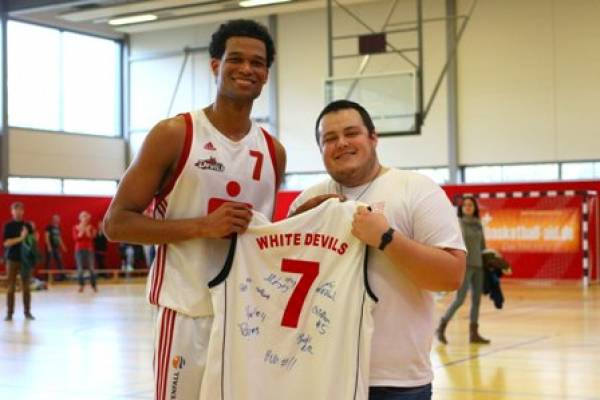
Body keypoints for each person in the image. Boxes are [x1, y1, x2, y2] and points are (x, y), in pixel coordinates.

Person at [103, 19, 285, 400]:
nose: (247, 69)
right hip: (185, 311)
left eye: (257, 62)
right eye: (236, 59)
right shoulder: (175, 134)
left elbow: (265, 234)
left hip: (246, 317)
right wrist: (202, 226)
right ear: (215, 65)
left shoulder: (273, 150)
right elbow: (116, 224)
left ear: (266, 73)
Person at [289, 100, 466, 400]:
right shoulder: (308, 202)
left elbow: (450, 276)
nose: (341, 143)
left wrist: (386, 238)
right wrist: (296, 226)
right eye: (329, 138)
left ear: (373, 137)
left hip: (394, 382)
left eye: (351, 133)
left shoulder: (416, 189)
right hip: (320, 375)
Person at [437, 196, 490, 344]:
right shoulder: (458, 224)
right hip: (465, 266)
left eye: (470, 205)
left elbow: (482, 246)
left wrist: (490, 259)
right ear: (461, 208)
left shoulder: (478, 224)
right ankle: (441, 326)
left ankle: (474, 334)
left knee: (477, 300)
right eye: (465, 205)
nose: (468, 207)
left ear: (474, 208)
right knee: (460, 299)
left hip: (479, 266)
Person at [2, 202, 35, 321]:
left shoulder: (28, 226)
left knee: (26, 287)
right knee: (10, 287)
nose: (18, 212)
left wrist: (32, 238)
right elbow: (6, 243)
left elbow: (31, 242)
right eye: (15, 210)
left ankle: (27, 312)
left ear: (23, 211)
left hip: (25, 260)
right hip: (12, 259)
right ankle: (9, 313)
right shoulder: (8, 225)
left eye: (20, 210)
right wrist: (21, 238)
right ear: (12, 211)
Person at [73, 211, 97, 293]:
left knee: (91, 268)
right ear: (80, 218)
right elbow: (76, 238)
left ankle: (94, 285)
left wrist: (87, 231)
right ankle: (81, 285)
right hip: (79, 250)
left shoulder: (91, 227)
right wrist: (82, 230)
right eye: (83, 216)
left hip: (89, 249)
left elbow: (91, 238)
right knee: (80, 269)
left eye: (86, 216)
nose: (84, 218)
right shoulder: (75, 227)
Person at [44, 214, 67, 280]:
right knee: (49, 262)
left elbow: (59, 238)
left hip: (56, 247)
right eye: (55, 219)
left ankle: (62, 276)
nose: (57, 220)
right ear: (52, 220)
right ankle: (47, 277)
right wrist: (49, 246)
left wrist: (63, 246)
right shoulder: (49, 227)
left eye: (58, 219)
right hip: (50, 247)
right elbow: (46, 237)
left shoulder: (58, 228)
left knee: (59, 261)